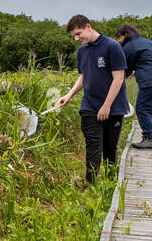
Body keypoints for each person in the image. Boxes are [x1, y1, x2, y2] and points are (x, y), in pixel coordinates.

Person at [54, 15, 130, 184]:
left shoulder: (112, 47)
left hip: (113, 106)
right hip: (89, 104)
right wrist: (69, 95)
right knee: (93, 145)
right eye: (74, 35)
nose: (76, 38)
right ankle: (92, 185)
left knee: (109, 148)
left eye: (78, 33)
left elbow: (118, 78)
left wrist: (106, 106)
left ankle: (111, 184)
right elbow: (83, 77)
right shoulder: (82, 51)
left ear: (88, 26)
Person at [115, 23, 152, 149]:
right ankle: (149, 137)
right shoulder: (148, 42)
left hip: (149, 80)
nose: (119, 41)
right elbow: (147, 60)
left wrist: (126, 74)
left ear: (126, 35)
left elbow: (126, 66)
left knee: (142, 109)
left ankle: (149, 139)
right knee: (149, 110)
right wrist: (136, 70)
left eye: (119, 37)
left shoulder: (129, 46)